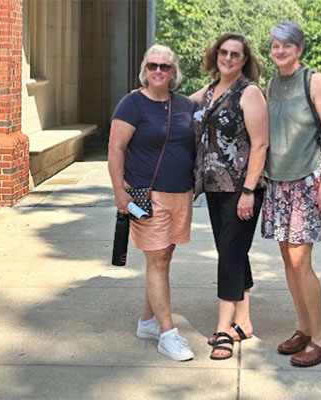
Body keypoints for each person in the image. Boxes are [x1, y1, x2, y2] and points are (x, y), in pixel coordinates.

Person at [108, 44, 196, 362]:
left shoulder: (185, 105)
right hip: (147, 195)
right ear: (145, 69)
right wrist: (120, 192)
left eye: (165, 67)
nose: (158, 71)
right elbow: (116, 148)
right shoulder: (132, 104)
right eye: (153, 66)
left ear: (174, 73)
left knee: (164, 257)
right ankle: (167, 334)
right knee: (157, 259)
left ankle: (147, 322)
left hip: (181, 194)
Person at [261, 21, 321, 367]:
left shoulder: (315, 80)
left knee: (300, 262)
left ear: (299, 49)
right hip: (276, 182)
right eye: (275, 46)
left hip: (306, 182)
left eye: (287, 46)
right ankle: (304, 329)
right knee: (287, 259)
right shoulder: (271, 83)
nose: (280, 51)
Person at [190, 33, 269, 360]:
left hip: (241, 188)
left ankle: (224, 329)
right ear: (215, 55)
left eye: (235, 54)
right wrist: (145, 94)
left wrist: (249, 191)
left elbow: (260, 144)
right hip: (214, 187)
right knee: (232, 251)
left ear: (244, 59)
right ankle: (244, 321)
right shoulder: (210, 91)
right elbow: (180, 103)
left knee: (229, 255)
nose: (228, 58)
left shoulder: (249, 93)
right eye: (223, 52)